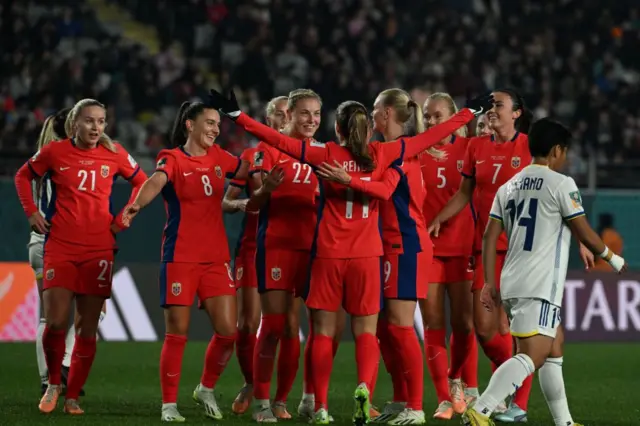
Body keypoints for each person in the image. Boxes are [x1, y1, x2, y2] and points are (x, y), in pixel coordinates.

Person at [207, 87, 493, 425]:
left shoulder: (325, 153)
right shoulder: (384, 153)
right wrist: (469, 113)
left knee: (323, 332)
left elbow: (278, 141)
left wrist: (238, 117)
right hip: (369, 255)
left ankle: (321, 406)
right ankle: (370, 390)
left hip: (328, 253)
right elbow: (434, 135)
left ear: (338, 129)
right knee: (368, 333)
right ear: (366, 129)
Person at [121, 101, 279, 423]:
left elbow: (250, 167)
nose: (215, 129)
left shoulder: (222, 157)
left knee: (227, 332)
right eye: (208, 123)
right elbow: (155, 181)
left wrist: (269, 162)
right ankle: (169, 405)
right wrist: (137, 206)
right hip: (180, 257)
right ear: (189, 125)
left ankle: (206, 388)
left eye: (217, 124)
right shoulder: (173, 158)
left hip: (216, 257)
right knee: (177, 333)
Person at [463, 118, 626, 426]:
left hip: (512, 279)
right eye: (564, 151)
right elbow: (586, 233)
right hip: (539, 284)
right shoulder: (561, 183)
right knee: (532, 355)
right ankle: (480, 410)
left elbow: (488, 237)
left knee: (553, 346)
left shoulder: (508, 185)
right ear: (556, 151)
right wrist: (612, 257)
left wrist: (488, 281)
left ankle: (564, 422)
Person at [15, 98, 146, 415]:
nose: (96, 127)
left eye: (101, 121)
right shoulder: (54, 152)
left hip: (99, 248)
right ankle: (53, 383)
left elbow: (142, 181)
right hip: (59, 245)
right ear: (75, 124)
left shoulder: (114, 153)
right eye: (90, 121)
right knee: (55, 321)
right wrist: (31, 212)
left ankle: (72, 395)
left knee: (88, 326)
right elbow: (22, 176)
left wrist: (124, 218)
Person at [316, 88, 434, 425]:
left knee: (399, 326)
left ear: (385, 116)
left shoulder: (402, 155)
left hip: (406, 244)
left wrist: (346, 178)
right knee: (383, 328)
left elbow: (383, 192)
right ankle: (400, 398)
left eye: (375, 110)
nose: (370, 115)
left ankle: (415, 406)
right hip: (386, 247)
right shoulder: (383, 152)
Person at [429, 89, 534, 422]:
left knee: (519, 328)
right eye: (488, 107)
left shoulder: (530, 148)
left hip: (522, 251)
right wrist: (439, 218)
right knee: (486, 329)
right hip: (485, 250)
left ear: (516, 113)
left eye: (498, 106)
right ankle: (509, 383)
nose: (491, 111)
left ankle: (517, 403)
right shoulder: (476, 147)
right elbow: (464, 193)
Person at [29, 108, 107, 398]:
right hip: (54, 242)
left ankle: (51, 374)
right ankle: (58, 368)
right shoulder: (62, 157)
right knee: (77, 316)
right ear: (73, 127)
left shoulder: (47, 155)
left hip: (41, 242)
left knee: (51, 319)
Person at [222, 95, 288, 415]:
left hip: (291, 248)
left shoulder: (307, 155)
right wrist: (243, 205)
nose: (282, 119)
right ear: (267, 118)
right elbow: (226, 201)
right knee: (247, 325)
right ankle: (252, 382)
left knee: (282, 326)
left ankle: (285, 397)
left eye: (287, 114)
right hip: (252, 247)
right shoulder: (251, 155)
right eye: (276, 114)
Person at [419, 93, 477, 420]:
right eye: (426, 116)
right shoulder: (415, 151)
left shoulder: (469, 150)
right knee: (434, 324)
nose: (429, 122)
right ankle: (444, 396)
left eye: (436, 116)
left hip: (462, 247)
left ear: (453, 117)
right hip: (428, 250)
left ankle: (460, 380)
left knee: (465, 324)